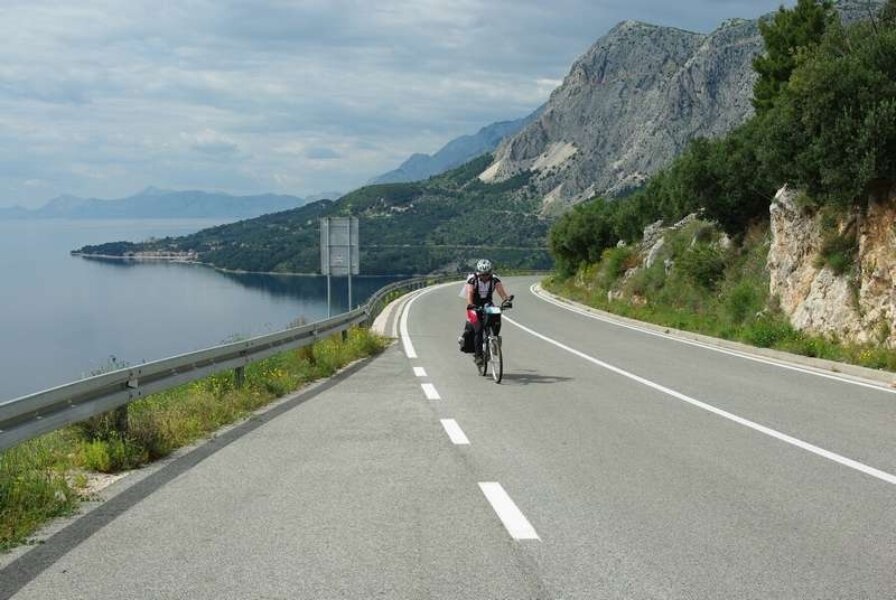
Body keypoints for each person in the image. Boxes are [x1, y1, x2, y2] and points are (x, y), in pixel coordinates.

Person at [462, 258, 512, 365]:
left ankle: (495, 339)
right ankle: (478, 356)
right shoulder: (472, 279)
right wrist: (470, 305)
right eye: (482, 274)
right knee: (478, 329)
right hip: (474, 305)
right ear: (478, 272)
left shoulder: (495, 280)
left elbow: (501, 292)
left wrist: (506, 301)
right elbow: (470, 293)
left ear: (490, 272)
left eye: (487, 274)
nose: (484, 277)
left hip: (487, 304)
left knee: (496, 317)